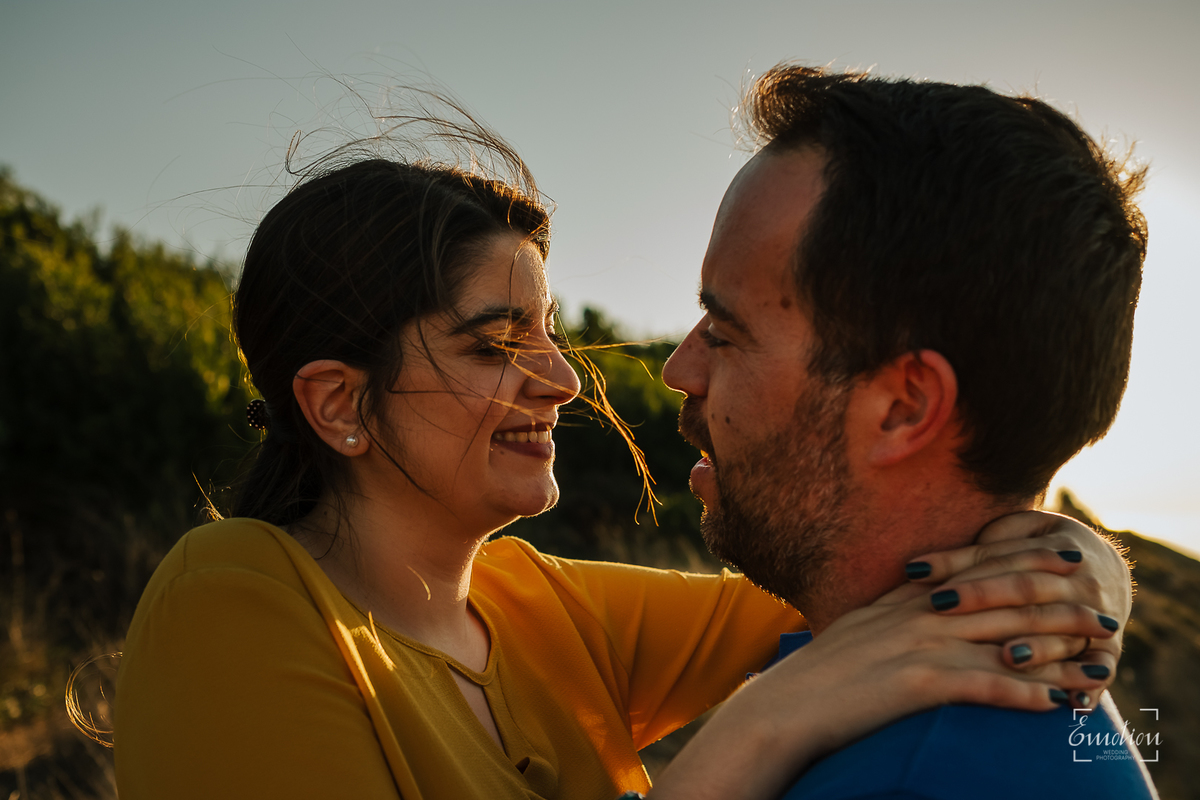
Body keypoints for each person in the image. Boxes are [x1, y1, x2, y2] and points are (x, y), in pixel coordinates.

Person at [114, 110, 1132, 800]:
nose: (563, 380)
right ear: (341, 402)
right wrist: (756, 731)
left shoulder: (537, 607)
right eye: (495, 342)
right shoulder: (234, 595)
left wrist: (1071, 558)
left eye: (550, 335)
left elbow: (859, 562)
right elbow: (833, 650)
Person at [659, 65, 1157, 799]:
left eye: (726, 334)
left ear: (903, 408)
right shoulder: (909, 696)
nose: (679, 369)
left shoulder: (921, 778)